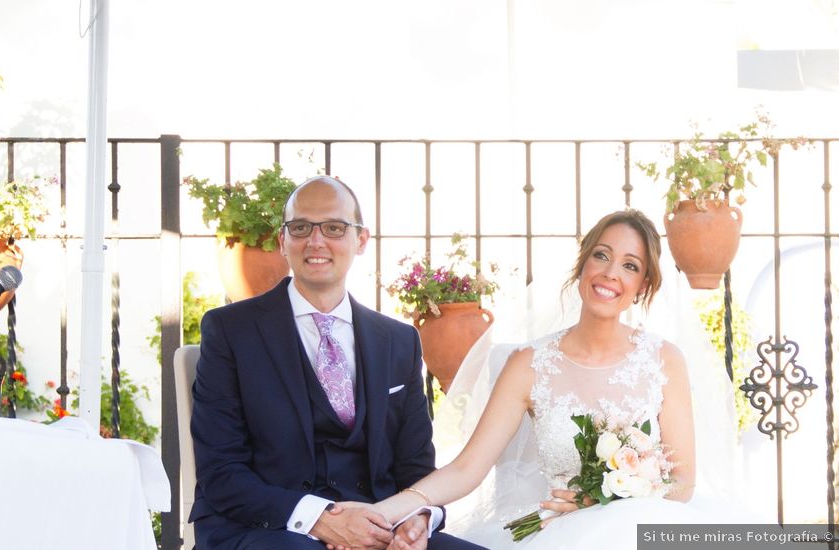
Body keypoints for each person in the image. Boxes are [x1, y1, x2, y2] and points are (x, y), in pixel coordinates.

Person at [337, 209, 732, 549]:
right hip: (551, 531)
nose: (611, 273)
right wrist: (384, 511)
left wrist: (601, 497)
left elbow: (681, 483)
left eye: (630, 265)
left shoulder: (663, 360)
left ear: (643, 285)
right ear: (583, 265)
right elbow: (466, 469)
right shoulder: (529, 364)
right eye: (602, 256)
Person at [189, 175, 486, 550]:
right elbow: (221, 473)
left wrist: (419, 518)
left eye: (333, 228)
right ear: (283, 241)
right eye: (300, 228)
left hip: (379, 526)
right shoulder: (230, 330)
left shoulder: (398, 341)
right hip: (268, 529)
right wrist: (322, 520)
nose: (316, 241)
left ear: (361, 240)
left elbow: (416, 470)